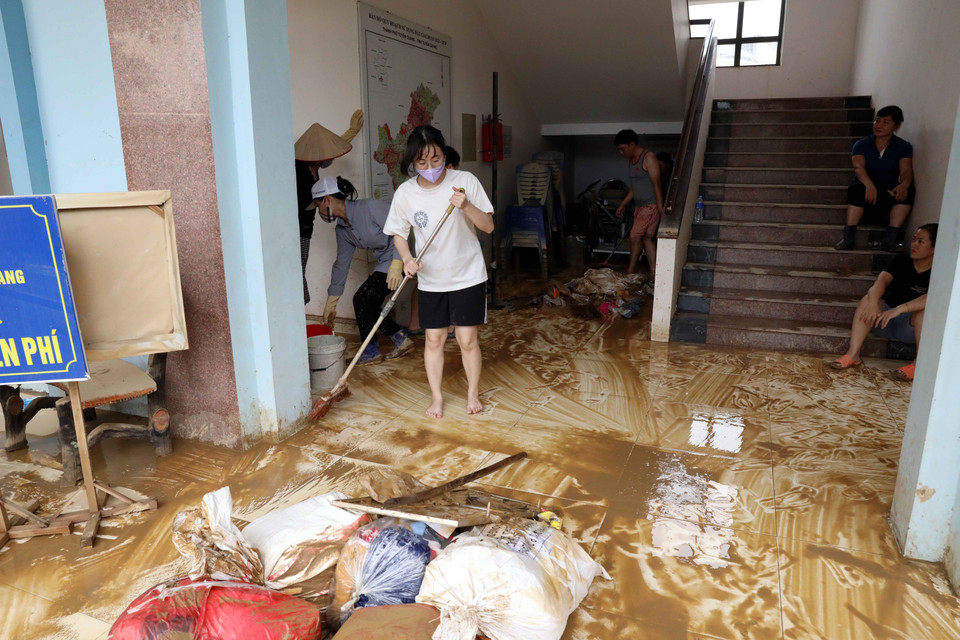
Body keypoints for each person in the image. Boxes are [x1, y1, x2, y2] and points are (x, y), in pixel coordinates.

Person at [383, 126, 495, 418]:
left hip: (468, 275)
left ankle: (472, 395)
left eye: (436, 159)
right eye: (422, 162)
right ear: (413, 163)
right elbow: (398, 233)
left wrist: (466, 205)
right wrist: (407, 259)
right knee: (434, 340)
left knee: (467, 340)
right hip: (432, 279)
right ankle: (436, 398)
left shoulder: (464, 182)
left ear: (444, 154)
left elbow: (488, 226)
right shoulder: (406, 193)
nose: (431, 167)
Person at [316, 176, 413, 365]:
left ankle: (375, 350)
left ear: (327, 200)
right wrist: (332, 300)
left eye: (318, 204)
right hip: (384, 262)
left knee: (362, 299)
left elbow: (402, 230)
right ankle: (397, 340)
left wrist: (398, 262)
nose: (318, 211)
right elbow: (341, 264)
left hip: (404, 255)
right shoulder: (342, 230)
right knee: (366, 302)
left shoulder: (370, 208)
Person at [831, 223, 937, 381]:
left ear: (935, 248)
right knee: (867, 299)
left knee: (924, 313)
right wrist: (874, 302)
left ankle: (917, 364)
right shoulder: (902, 260)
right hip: (884, 320)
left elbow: (934, 297)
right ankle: (853, 354)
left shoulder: (939, 270)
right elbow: (881, 281)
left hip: (909, 326)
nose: (914, 244)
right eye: (914, 239)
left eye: (920, 241)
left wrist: (901, 309)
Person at [835, 105, 916, 252]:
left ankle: (890, 240)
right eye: (877, 121)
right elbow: (859, 167)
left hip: (887, 190)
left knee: (908, 191)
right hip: (865, 188)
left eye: (886, 122)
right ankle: (848, 238)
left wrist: (904, 184)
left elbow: (906, 170)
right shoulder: (862, 144)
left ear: (896, 126)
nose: (879, 125)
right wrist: (869, 185)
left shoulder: (903, 146)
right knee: (856, 189)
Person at [614, 129, 663, 278]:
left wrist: (661, 210)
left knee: (635, 236)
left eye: (623, 149)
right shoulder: (631, 161)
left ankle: (630, 272)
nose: (621, 153)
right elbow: (635, 187)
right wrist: (623, 204)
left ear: (632, 144)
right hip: (640, 207)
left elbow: (657, 185)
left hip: (651, 206)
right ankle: (655, 272)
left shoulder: (648, 158)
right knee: (646, 238)